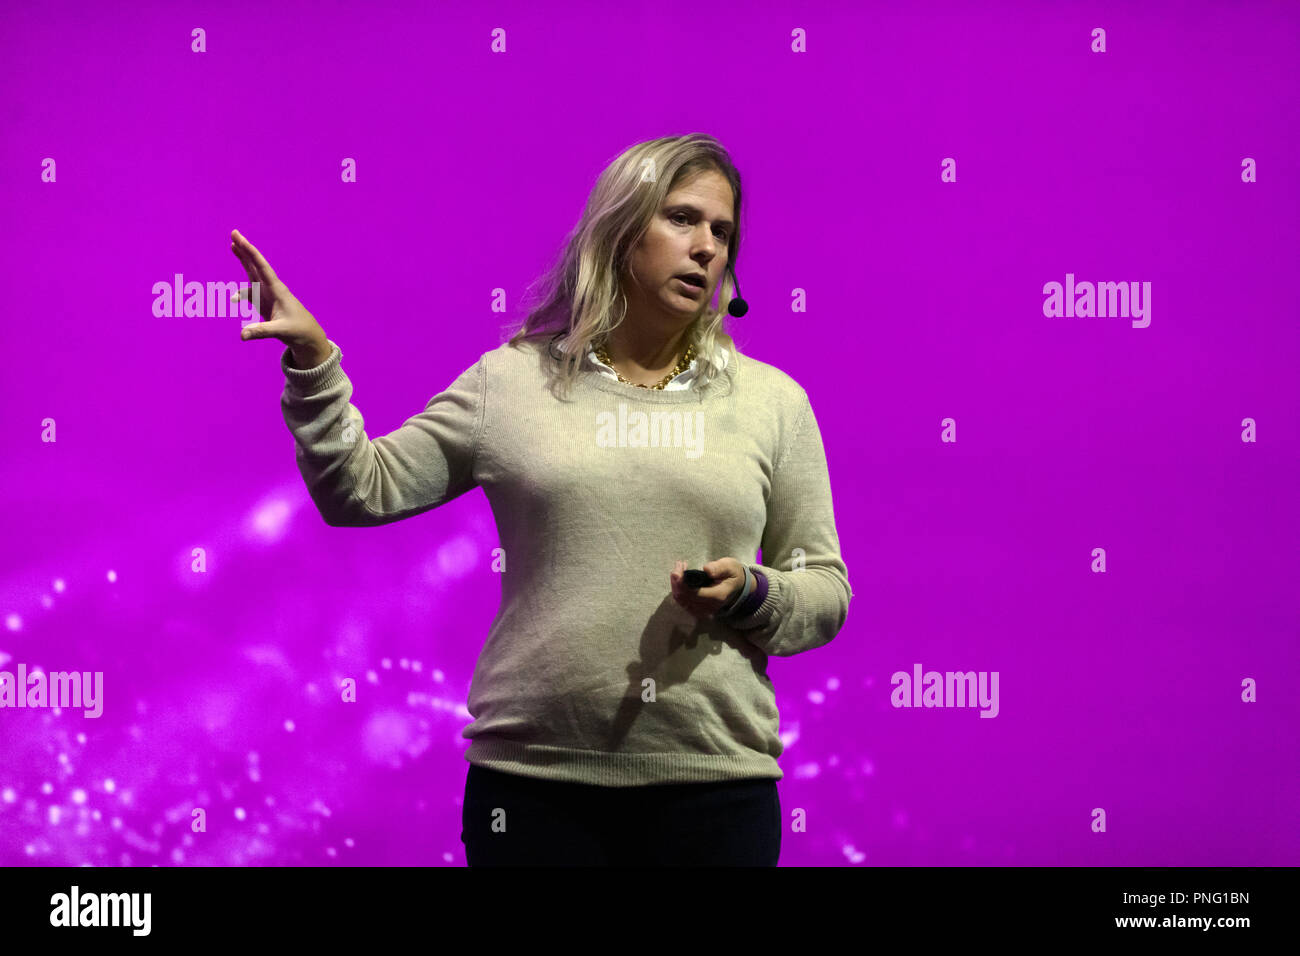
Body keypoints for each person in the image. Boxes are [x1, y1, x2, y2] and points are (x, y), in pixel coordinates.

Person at [232, 133, 853, 867]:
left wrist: (754, 592)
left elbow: (825, 591)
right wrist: (314, 363)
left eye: (723, 232)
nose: (707, 248)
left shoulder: (773, 403)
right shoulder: (512, 382)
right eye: (683, 219)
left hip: (714, 792)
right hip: (531, 791)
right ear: (622, 231)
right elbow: (360, 489)